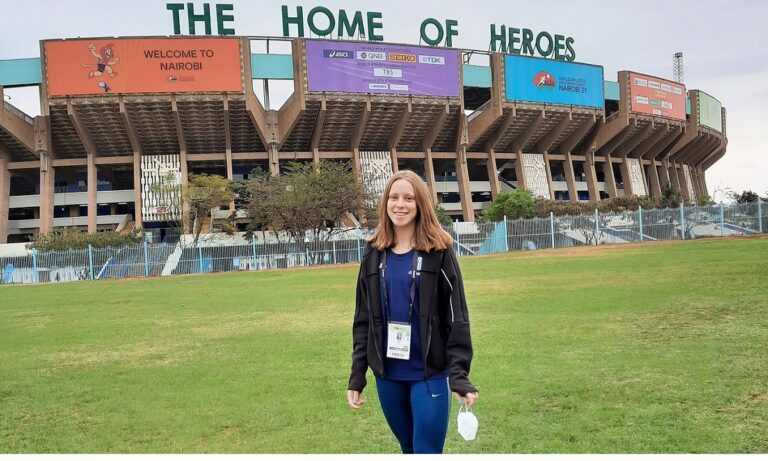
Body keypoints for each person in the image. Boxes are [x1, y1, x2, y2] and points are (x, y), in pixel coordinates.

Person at [347, 170, 478, 454]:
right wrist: (358, 375)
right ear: (385, 203)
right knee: (408, 449)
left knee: (426, 451)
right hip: (388, 375)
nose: (400, 204)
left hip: (427, 375)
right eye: (394, 197)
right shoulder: (372, 253)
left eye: (408, 198)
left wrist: (458, 374)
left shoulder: (439, 252)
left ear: (420, 204)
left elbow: (457, 317)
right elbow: (363, 320)